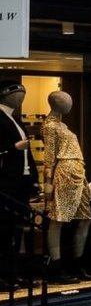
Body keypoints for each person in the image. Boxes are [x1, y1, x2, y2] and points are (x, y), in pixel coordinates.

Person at [38, 91, 91, 281]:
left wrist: (84, 179)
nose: (69, 103)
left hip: (77, 171)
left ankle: (77, 263)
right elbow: (49, 155)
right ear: (55, 103)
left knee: (85, 217)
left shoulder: (62, 124)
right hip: (64, 171)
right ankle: (56, 265)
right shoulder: (49, 126)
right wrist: (47, 182)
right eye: (65, 100)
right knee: (59, 218)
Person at [0, 82, 37, 290]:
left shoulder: (16, 120)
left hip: (21, 181)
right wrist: (13, 147)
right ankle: (4, 275)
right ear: (6, 95)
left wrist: (33, 178)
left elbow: (28, 154)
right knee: (4, 229)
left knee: (17, 230)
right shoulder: (1, 119)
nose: (21, 97)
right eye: (17, 93)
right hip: (7, 183)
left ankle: (15, 273)